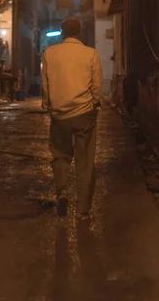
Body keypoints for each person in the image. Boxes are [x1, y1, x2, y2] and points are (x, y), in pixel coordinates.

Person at [42, 17, 103, 220]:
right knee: (85, 162)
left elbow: (46, 84)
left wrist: (47, 103)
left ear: (62, 33)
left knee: (60, 155)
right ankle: (83, 210)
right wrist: (96, 104)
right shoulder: (90, 54)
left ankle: (62, 193)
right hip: (84, 113)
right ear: (80, 33)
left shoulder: (50, 53)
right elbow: (96, 86)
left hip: (59, 115)